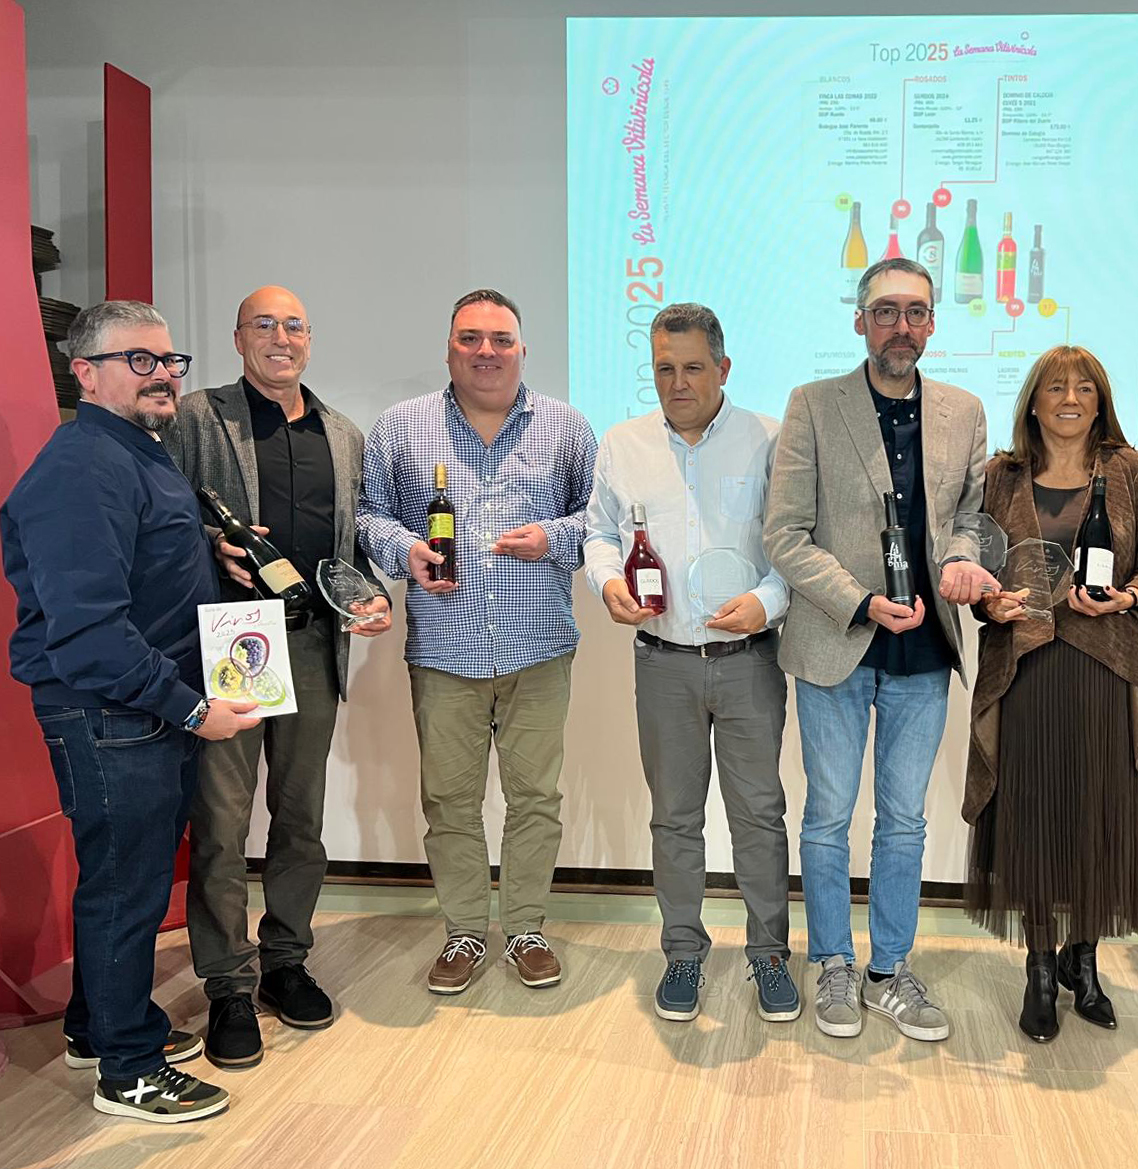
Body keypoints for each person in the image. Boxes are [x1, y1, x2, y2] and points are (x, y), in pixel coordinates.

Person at [1, 300, 258, 1122]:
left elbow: (138, 565)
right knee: (124, 891)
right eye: (139, 360)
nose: (163, 375)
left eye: (169, 360)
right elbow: (89, 634)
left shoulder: (133, 453)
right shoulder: (81, 469)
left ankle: (97, 1027)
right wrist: (193, 709)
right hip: (114, 716)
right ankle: (130, 1071)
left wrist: (206, 550)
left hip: (141, 714)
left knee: (127, 883)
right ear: (85, 372)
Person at [763, 257, 996, 1042]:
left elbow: (969, 516)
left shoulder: (964, 411)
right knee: (828, 815)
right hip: (836, 640)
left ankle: (889, 968)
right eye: (887, 311)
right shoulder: (813, 404)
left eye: (916, 312)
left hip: (924, 651)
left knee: (903, 821)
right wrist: (860, 600)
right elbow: (785, 534)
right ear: (860, 321)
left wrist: (961, 559)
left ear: (932, 323)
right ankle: (833, 958)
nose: (903, 325)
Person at [163, 286, 392, 1067]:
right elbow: (158, 515)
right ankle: (229, 983)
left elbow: (350, 546)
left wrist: (369, 596)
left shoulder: (343, 434)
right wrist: (209, 545)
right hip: (231, 642)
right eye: (264, 324)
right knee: (223, 821)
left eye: (294, 324)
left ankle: (285, 960)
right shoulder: (198, 417)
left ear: (309, 338)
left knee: (300, 816)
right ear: (238, 339)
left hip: (314, 643)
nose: (281, 336)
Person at [358, 289, 597, 995]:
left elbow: (602, 520)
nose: (485, 351)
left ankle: (525, 928)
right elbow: (368, 516)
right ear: (449, 350)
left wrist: (553, 537)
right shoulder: (401, 427)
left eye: (500, 339)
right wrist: (403, 550)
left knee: (536, 798)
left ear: (523, 349)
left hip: (538, 649)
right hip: (444, 652)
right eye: (470, 338)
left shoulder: (565, 427)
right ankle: (463, 930)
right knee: (449, 802)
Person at [583, 302, 796, 1024]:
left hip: (749, 660)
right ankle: (682, 950)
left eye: (693, 367)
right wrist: (606, 582)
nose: (678, 382)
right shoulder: (623, 444)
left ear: (724, 368)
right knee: (674, 818)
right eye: (664, 368)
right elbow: (599, 533)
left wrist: (766, 601)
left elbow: (797, 542)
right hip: (663, 661)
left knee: (759, 815)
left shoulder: (770, 439)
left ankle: (769, 953)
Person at [964, 345, 1138, 1042]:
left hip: (1104, 668)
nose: (1071, 398)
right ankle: (1040, 967)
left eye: (1085, 387)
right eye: (1056, 387)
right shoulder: (1001, 475)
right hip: (1025, 669)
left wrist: (1130, 596)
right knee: (1031, 817)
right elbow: (980, 575)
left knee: (1096, 815)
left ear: (1101, 399)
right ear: (1033, 402)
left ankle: (1086, 959)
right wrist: (989, 604)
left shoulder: (1129, 470)